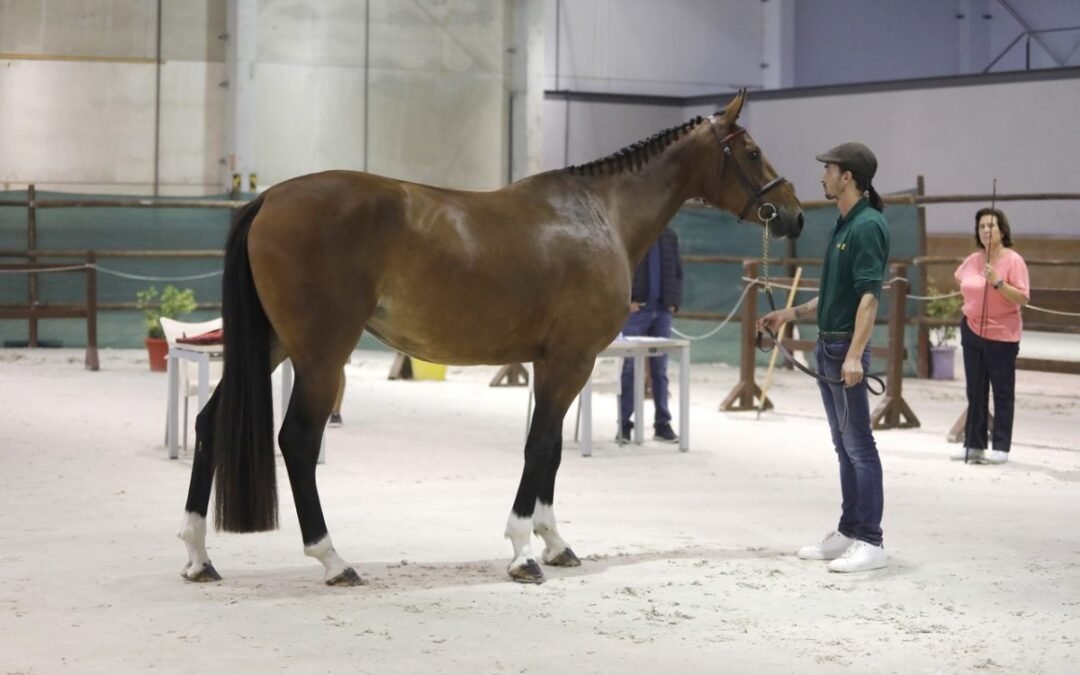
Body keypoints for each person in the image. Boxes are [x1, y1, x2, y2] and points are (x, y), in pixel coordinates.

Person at [758, 142, 890, 573]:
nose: (822, 176)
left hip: (844, 349)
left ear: (847, 176)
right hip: (829, 345)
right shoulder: (844, 225)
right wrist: (788, 314)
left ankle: (871, 539)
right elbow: (836, 295)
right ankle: (850, 529)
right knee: (843, 446)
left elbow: (869, 298)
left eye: (829, 169)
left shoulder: (867, 226)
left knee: (859, 446)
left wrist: (854, 355)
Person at [951, 208, 1029, 464]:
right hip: (972, 329)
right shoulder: (974, 260)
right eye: (982, 226)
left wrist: (997, 282)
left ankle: (1001, 446)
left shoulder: (1013, 260)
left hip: (1002, 334)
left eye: (991, 226)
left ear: (1002, 230)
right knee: (975, 390)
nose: (986, 230)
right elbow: (959, 278)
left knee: (1002, 392)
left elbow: (1023, 297)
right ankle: (973, 444)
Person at [617, 227, 683, 444]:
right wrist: (628, 301)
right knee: (629, 370)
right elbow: (620, 269)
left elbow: (677, 271)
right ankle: (624, 424)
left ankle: (662, 424)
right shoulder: (634, 232)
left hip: (662, 313)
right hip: (637, 313)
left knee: (660, 371)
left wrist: (674, 302)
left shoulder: (670, 236)